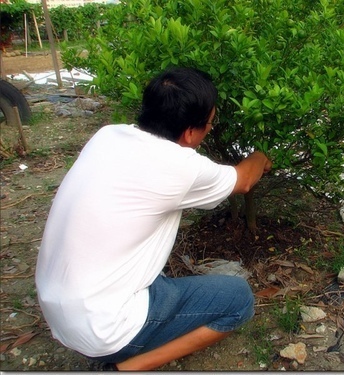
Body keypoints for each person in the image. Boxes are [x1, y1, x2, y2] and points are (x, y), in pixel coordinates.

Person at [35, 66, 272, 371]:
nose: (211, 128)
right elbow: (244, 180)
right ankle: (122, 368)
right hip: (103, 329)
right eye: (211, 123)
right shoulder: (181, 166)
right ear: (190, 132)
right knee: (237, 298)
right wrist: (262, 155)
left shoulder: (106, 135)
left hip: (57, 307)